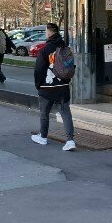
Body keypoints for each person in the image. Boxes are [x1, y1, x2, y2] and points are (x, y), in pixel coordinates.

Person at [31, 23, 76, 151]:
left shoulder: (45, 49)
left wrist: (38, 85)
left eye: (46, 31)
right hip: (63, 86)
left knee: (44, 113)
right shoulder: (65, 47)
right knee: (66, 113)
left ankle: (43, 137)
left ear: (49, 32)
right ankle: (70, 140)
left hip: (47, 87)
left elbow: (39, 70)